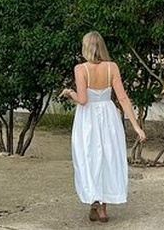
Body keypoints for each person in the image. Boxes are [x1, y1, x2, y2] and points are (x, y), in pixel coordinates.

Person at [60, 31, 146, 223]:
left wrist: (70, 93)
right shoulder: (112, 67)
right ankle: (102, 209)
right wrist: (136, 127)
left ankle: (95, 203)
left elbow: (82, 100)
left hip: (88, 119)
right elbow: (123, 98)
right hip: (108, 116)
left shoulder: (81, 69)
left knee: (89, 158)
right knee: (107, 156)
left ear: (86, 47)